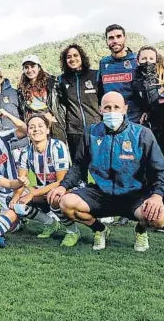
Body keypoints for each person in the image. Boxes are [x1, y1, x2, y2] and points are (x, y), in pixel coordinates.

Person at [48, 92, 164, 252]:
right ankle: (99, 229)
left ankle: (141, 230)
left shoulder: (142, 134)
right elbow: (78, 166)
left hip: (134, 194)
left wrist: (157, 196)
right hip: (101, 194)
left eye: (116, 107)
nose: (112, 111)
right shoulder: (91, 133)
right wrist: (63, 186)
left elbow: (160, 170)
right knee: (66, 203)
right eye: (107, 107)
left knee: (159, 218)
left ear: (125, 109)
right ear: (100, 110)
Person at [9, 115, 80, 246]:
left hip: (67, 189)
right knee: (16, 201)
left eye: (40, 126)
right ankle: (51, 223)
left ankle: (72, 231)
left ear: (47, 129)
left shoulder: (57, 147)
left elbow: (61, 181)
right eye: (32, 127)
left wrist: (32, 194)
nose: (36, 130)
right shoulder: (25, 152)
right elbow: (21, 180)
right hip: (44, 190)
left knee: (54, 196)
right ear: (28, 132)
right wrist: (16, 196)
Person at [57, 44, 101, 160]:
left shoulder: (95, 75)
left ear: (82, 57)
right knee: (79, 169)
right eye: (69, 57)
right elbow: (61, 103)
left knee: (101, 168)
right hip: (74, 132)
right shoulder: (62, 80)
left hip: (96, 129)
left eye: (76, 55)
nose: (72, 59)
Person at [17, 54, 66, 142]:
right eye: (26, 67)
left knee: (57, 150)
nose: (30, 70)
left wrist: (56, 118)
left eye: (33, 66)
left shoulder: (52, 83)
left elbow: (62, 103)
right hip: (35, 126)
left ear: (39, 67)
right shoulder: (21, 89)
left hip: (54, 125)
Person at [97, 24, 140, 123]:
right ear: (107, 41)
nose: (115, 40)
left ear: (125, 38)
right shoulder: (103, 63)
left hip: (135, 119)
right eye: (111, 38)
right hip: (112, 118)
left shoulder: (136, 60)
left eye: (118, 36)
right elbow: (100, 91)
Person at [133, 46, 164, 151]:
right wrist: (146, 111)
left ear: (156, 60)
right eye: (144, 58)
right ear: (137, 61)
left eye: (151, 59)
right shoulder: (136, 81)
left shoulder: (161, 76)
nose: (147, 61)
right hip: (152, 127)